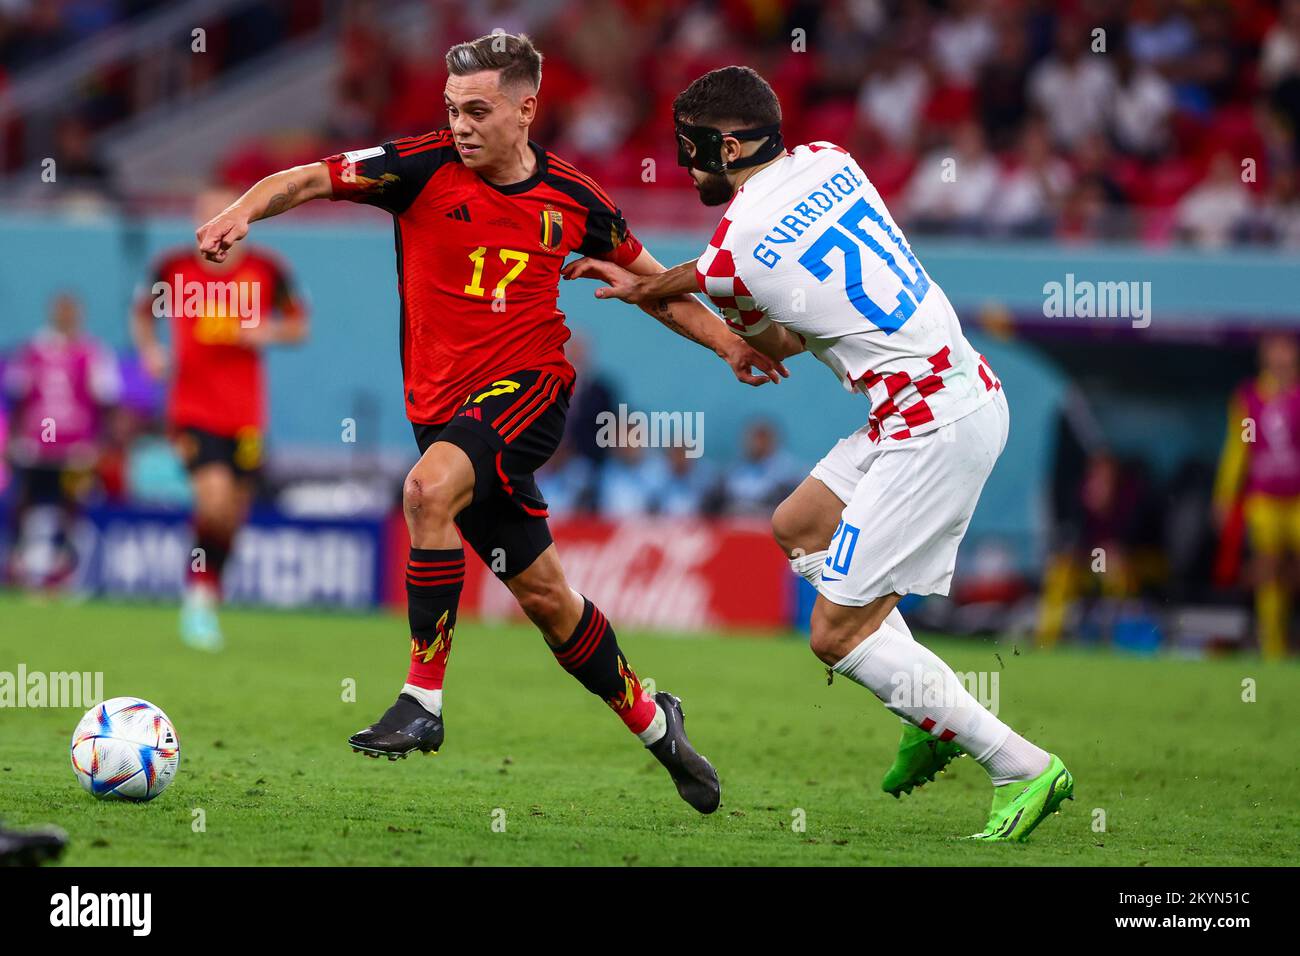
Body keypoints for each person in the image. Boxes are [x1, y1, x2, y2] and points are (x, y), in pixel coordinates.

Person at [193, 34, 786, 814]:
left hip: (531, 389)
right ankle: (655, 722)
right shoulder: (418, 167)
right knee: (546, 598)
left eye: (477, 110)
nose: (461, 126)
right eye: (451, 110)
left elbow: (656, 286)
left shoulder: (574, 198)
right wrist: (242, 210)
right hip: (442, 412)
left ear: (525, 109)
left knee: (426, 490)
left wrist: (729, 345)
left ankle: (422, 700)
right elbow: (308, 176)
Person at [566, 65, 1073, 841]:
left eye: (695, 150)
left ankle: (1020, 764)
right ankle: (927, 714)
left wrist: (656, 295)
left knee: (835, 633)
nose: (688, 165)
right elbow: (792, 312)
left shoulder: (732, 254)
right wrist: (671, 286)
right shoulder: (834, 159)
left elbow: (770, 342)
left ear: (730, 146)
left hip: (931, 422)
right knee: (800, 525)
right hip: (951, 388)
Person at [131, 186, 309, 650]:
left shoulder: (267, 271)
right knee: (212, 501)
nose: (216, 223)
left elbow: (298, 325)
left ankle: (207, 592)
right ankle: (197, 599)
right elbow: (142, 315)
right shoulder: (173, 269)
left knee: (230, 517)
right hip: (192, 410)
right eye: (207, 214)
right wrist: (151, 352)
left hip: (247, 416)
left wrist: (264, 330)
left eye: (224, 213)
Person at [4, 293, 120, 589]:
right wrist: (13, 439)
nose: (67, 316)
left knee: (73, 500)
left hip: (75, 445)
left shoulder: (92, 352)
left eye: (72, 311)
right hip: (37, 442)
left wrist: (101, 443)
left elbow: (106, 401)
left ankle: (64, 561)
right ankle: (18, 557)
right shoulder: (31, 351)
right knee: (27, 498)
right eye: (62, 311)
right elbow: (16, 396)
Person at [1214, 333, 1300, 659]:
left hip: (1298, 499)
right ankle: (1274, 649)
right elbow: (1238, 450)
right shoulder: (1250, 398)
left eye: (1288, 348)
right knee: (1268, 570)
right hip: (1264, 498)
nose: (1283, 356)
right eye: (1277, 349)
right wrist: (1225, 494)